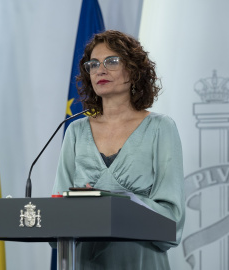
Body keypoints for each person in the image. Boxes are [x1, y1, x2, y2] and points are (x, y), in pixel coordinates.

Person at [52, 30, 185, 269]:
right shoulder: (75, 131)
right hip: (83, 261)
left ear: (134, 71)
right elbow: (57, 214)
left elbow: (172, 219)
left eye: (111, 61)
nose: (100, 70)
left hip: (141, 260)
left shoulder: (161, 128)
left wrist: (114, 202)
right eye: (93, 64)